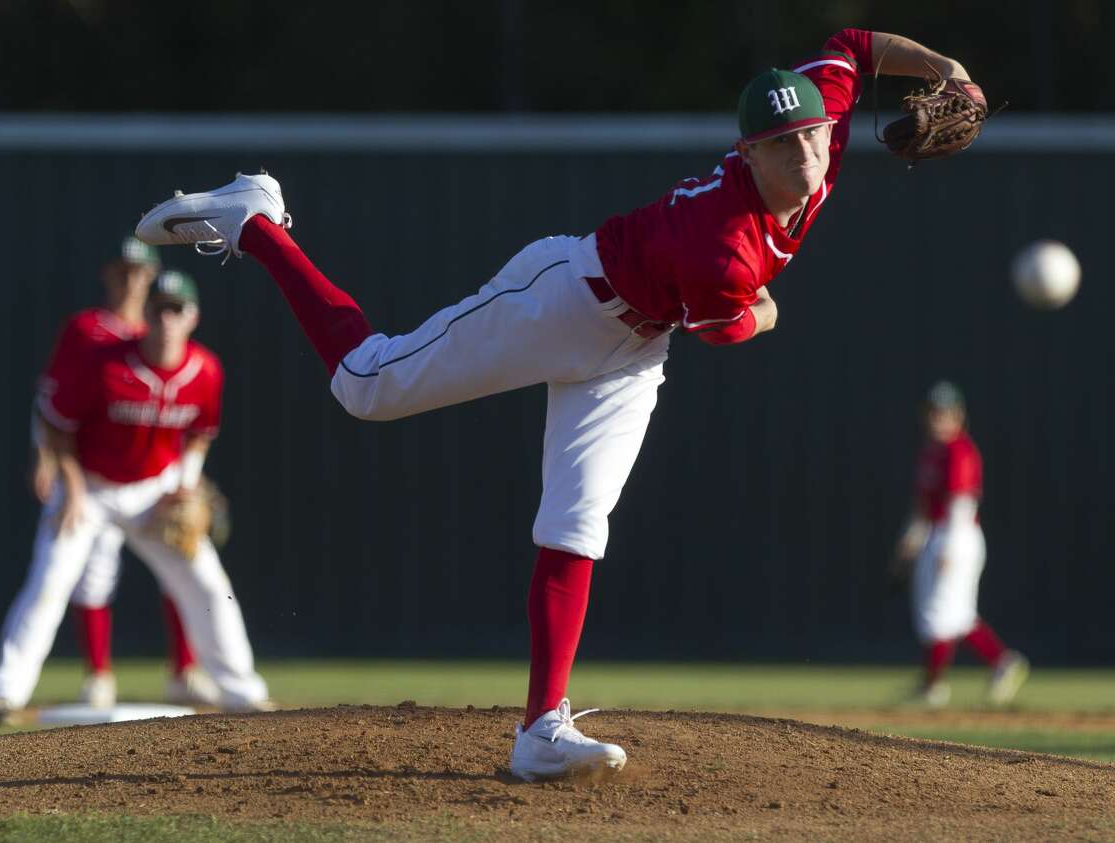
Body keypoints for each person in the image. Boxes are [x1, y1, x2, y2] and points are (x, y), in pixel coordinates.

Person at [136, 29, 982, 780]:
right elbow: (727, 327)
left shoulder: (822, 132)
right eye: (782, 146)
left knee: (578, 522)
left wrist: (944, 66)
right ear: (747, 152)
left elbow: (857, 44)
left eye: (810, 136)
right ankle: (256, 222)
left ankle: (541, 727)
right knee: (367, 385)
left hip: (633, 346)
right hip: (568, 297)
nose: (805, 158)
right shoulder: (719, 243)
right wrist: (769, 311)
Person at [0, 271, 272, 724]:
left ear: (192, 317)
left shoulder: (206, 371)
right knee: (50, 582)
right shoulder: (106, 363)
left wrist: (185, 481)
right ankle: (4, 692)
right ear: (146, 314)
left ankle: (242, 691)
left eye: (176, 309)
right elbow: (58, 425)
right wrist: (73, 490)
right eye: (158, 308)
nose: (165, 319)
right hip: (91, 489)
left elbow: (200, 434)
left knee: (207, 585)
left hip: (153, 494)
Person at [31, 237, 219, 710]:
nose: (132, 280)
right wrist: (46, 458)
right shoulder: (88, 329)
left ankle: (186, 669)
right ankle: (98, 675)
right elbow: (52, 402)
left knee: (180, 561)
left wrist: (186, 477)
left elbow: (192, 423)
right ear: (109, 275)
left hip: (155, 478)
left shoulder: (168, 334)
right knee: (91, 572)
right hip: (93, 475)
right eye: (124, 271)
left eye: (140, 272)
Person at [892, 382, 1028, 708]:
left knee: (941, 614)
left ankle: (934, 687)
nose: (936, 419)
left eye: (943, 412)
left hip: (958, 534)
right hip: (935, 534)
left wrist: (949, 549)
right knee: (946, 614)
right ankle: (996, 663)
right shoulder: (931, 452)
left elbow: (961, 503)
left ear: (958, 415)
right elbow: (921, 509)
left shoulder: (960, 451)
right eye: (932, 413)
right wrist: (906, 548)